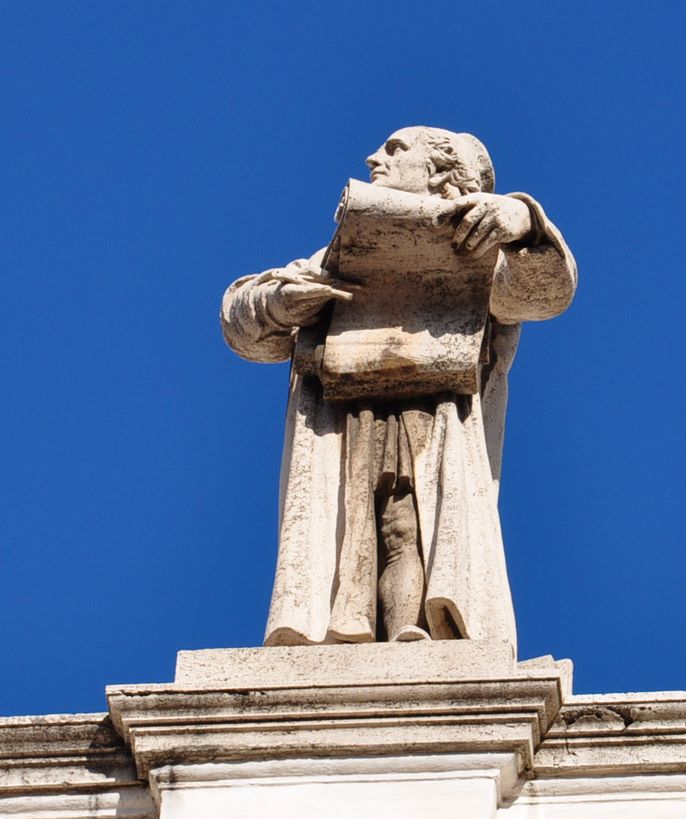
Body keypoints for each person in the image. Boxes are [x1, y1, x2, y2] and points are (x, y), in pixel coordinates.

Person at [221, 127, 577, 651]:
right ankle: (347, 628)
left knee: (410, 524)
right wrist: (278, 304)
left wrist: (522, 221)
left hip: (435, 416)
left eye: (395, 149)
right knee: (350, 532)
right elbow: (242, 326)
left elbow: (543, 292)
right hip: (343, 416)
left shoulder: (482, 251)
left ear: (438, 172)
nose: (373, 157)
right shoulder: (332, 258)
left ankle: (416, 628)